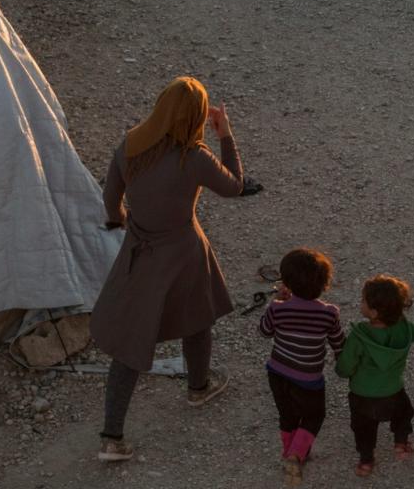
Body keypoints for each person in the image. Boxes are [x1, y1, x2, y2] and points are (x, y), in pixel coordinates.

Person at [89, 76, 245, 462]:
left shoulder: (130, 145)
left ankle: (112, 437)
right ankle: (198, 388)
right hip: (185, 251)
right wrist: (226, 135)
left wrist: (125, 220)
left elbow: (110, 201)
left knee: (130, 341)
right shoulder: (194, 158)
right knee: (197, 317)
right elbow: (235, 187)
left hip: (141, 252)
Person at [335, 275, 414, 477]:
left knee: (364, 429)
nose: (360, 303)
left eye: (363, 301)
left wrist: (342, 372)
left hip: (362, 396)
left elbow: (346, 365)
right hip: (393, 391)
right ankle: (401, 442)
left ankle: (366, 461)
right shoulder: (404, 330)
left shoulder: (360, 336)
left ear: (375, 312)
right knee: (403, 414)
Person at [259, 248, 346, 483]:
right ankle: (296, 455)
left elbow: (265, 332)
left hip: (277, 373)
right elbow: (339, 343)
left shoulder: (278, 308)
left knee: (287, 415)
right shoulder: (328, 314)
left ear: (286, 283)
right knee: (314, 416)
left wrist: (275, 303)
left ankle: (290, 452)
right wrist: (344, 363)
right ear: (324, 284)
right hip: (308, 380)